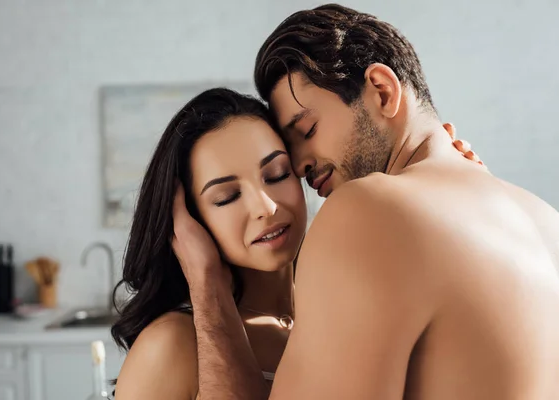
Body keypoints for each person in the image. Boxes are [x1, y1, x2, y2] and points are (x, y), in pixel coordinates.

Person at [172, 4, 559, 400]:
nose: (301, 164)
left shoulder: (367, 209)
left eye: (308, 129)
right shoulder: (545, 220)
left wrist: (208, 289)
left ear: (382, 90)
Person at [111, 88, 477, 398]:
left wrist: (460, 190)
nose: (266, 206)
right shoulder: (172, 344)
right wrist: (206, 284)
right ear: (188, 219)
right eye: (226, 197)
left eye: (276, 174)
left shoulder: (344, 307)